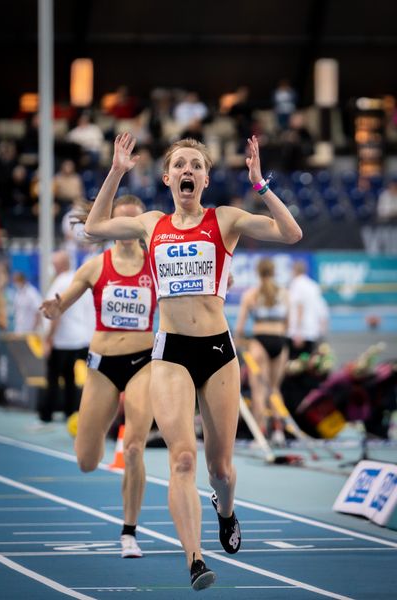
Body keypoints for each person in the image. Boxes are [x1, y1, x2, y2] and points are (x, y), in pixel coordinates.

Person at [84, 132, 302, 590]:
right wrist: (117, 172)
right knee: (182, 459)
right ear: (167, 178)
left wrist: (261, 185)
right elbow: (94, 227)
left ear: (204, 178)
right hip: (171, 353)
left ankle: (225, 510)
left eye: (195, 165)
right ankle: (195, 559)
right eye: (179, 164)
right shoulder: (151, 224)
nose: (187, 171)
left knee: (219, 468)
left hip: (218, 352)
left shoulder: (225, 220)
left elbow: (291, 232)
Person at [40, 196, 157, 558]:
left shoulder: (156, 266)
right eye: (119, 221)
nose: (125, 230)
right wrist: (55, 306)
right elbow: (65, 299)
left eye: (132, 222)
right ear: (108, 224)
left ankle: (129, 532)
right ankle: (124, 520)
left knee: (134, 446)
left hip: (144, 362)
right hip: (102, 365)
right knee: (87, 461)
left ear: (142, 227)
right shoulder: (94, 267)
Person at [234, 258, 289, 439]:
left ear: (258, 273)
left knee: (259, 391)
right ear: (274, 272)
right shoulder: (284, 294)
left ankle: (261, 432)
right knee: (274, 389)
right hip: (280, 342)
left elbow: (240, 327)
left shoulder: (251, 294)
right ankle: (279, 431)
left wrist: (239, 342)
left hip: (259, 343)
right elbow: (288, 324)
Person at [37, 251, 94, 425]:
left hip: (62, 340)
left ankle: (46, 414)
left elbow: (56, 312)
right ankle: (70, 411)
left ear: (59, 265)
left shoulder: (60, 283)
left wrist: (48, 339)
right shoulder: (79, 280)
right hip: (80, 338)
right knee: (69, 377)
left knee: (53, 378)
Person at [287, 260, 329, 360]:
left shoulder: (296, 284)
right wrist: (322, 330)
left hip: (300, 333)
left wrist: (298, 332)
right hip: (312, 332)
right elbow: (322, 309)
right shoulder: (313, 286)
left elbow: (300, 308)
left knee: (295, 367)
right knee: (309, 365)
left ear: (294, 271)